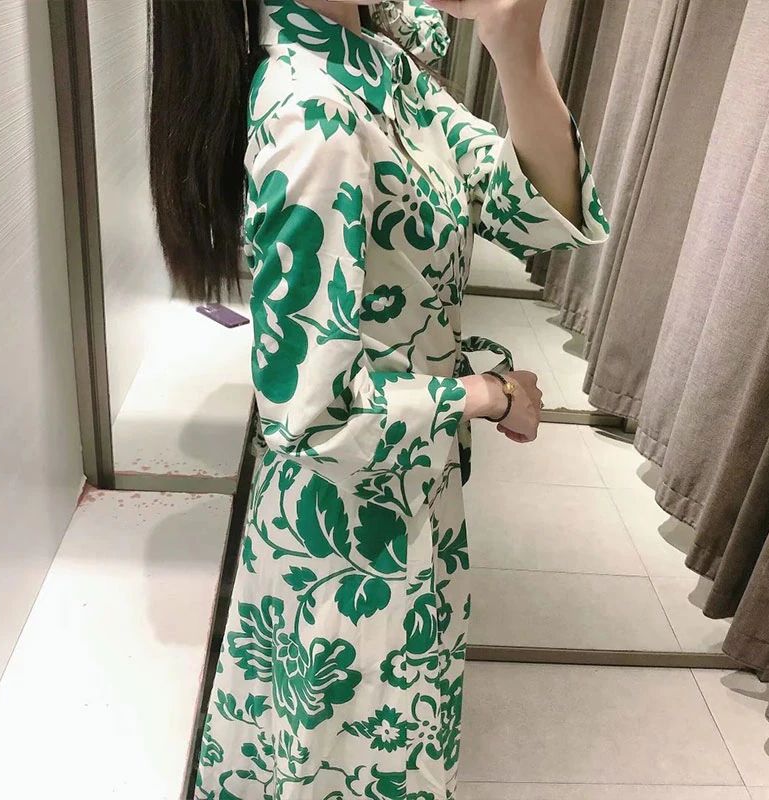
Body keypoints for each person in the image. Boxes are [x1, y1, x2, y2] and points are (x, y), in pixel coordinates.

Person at [147, 1, 610, 798]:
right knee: (349, 763)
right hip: (346, 535)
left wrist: (515, 48)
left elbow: (533, 211)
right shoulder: (313, 114)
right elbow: (311, 415)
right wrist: (490, 394)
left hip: (407, 491)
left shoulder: (381, 66)